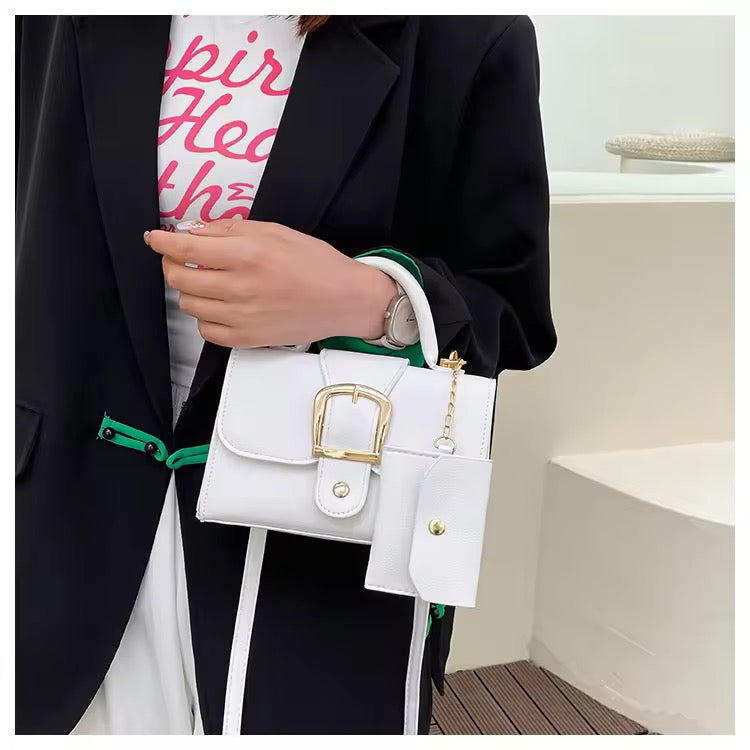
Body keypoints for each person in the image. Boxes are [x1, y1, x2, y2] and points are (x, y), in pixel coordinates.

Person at [15, 14, 556, 735]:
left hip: (315, 526)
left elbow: (512, 307)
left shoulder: (465, 34)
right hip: (64, 508)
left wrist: (371, 299)